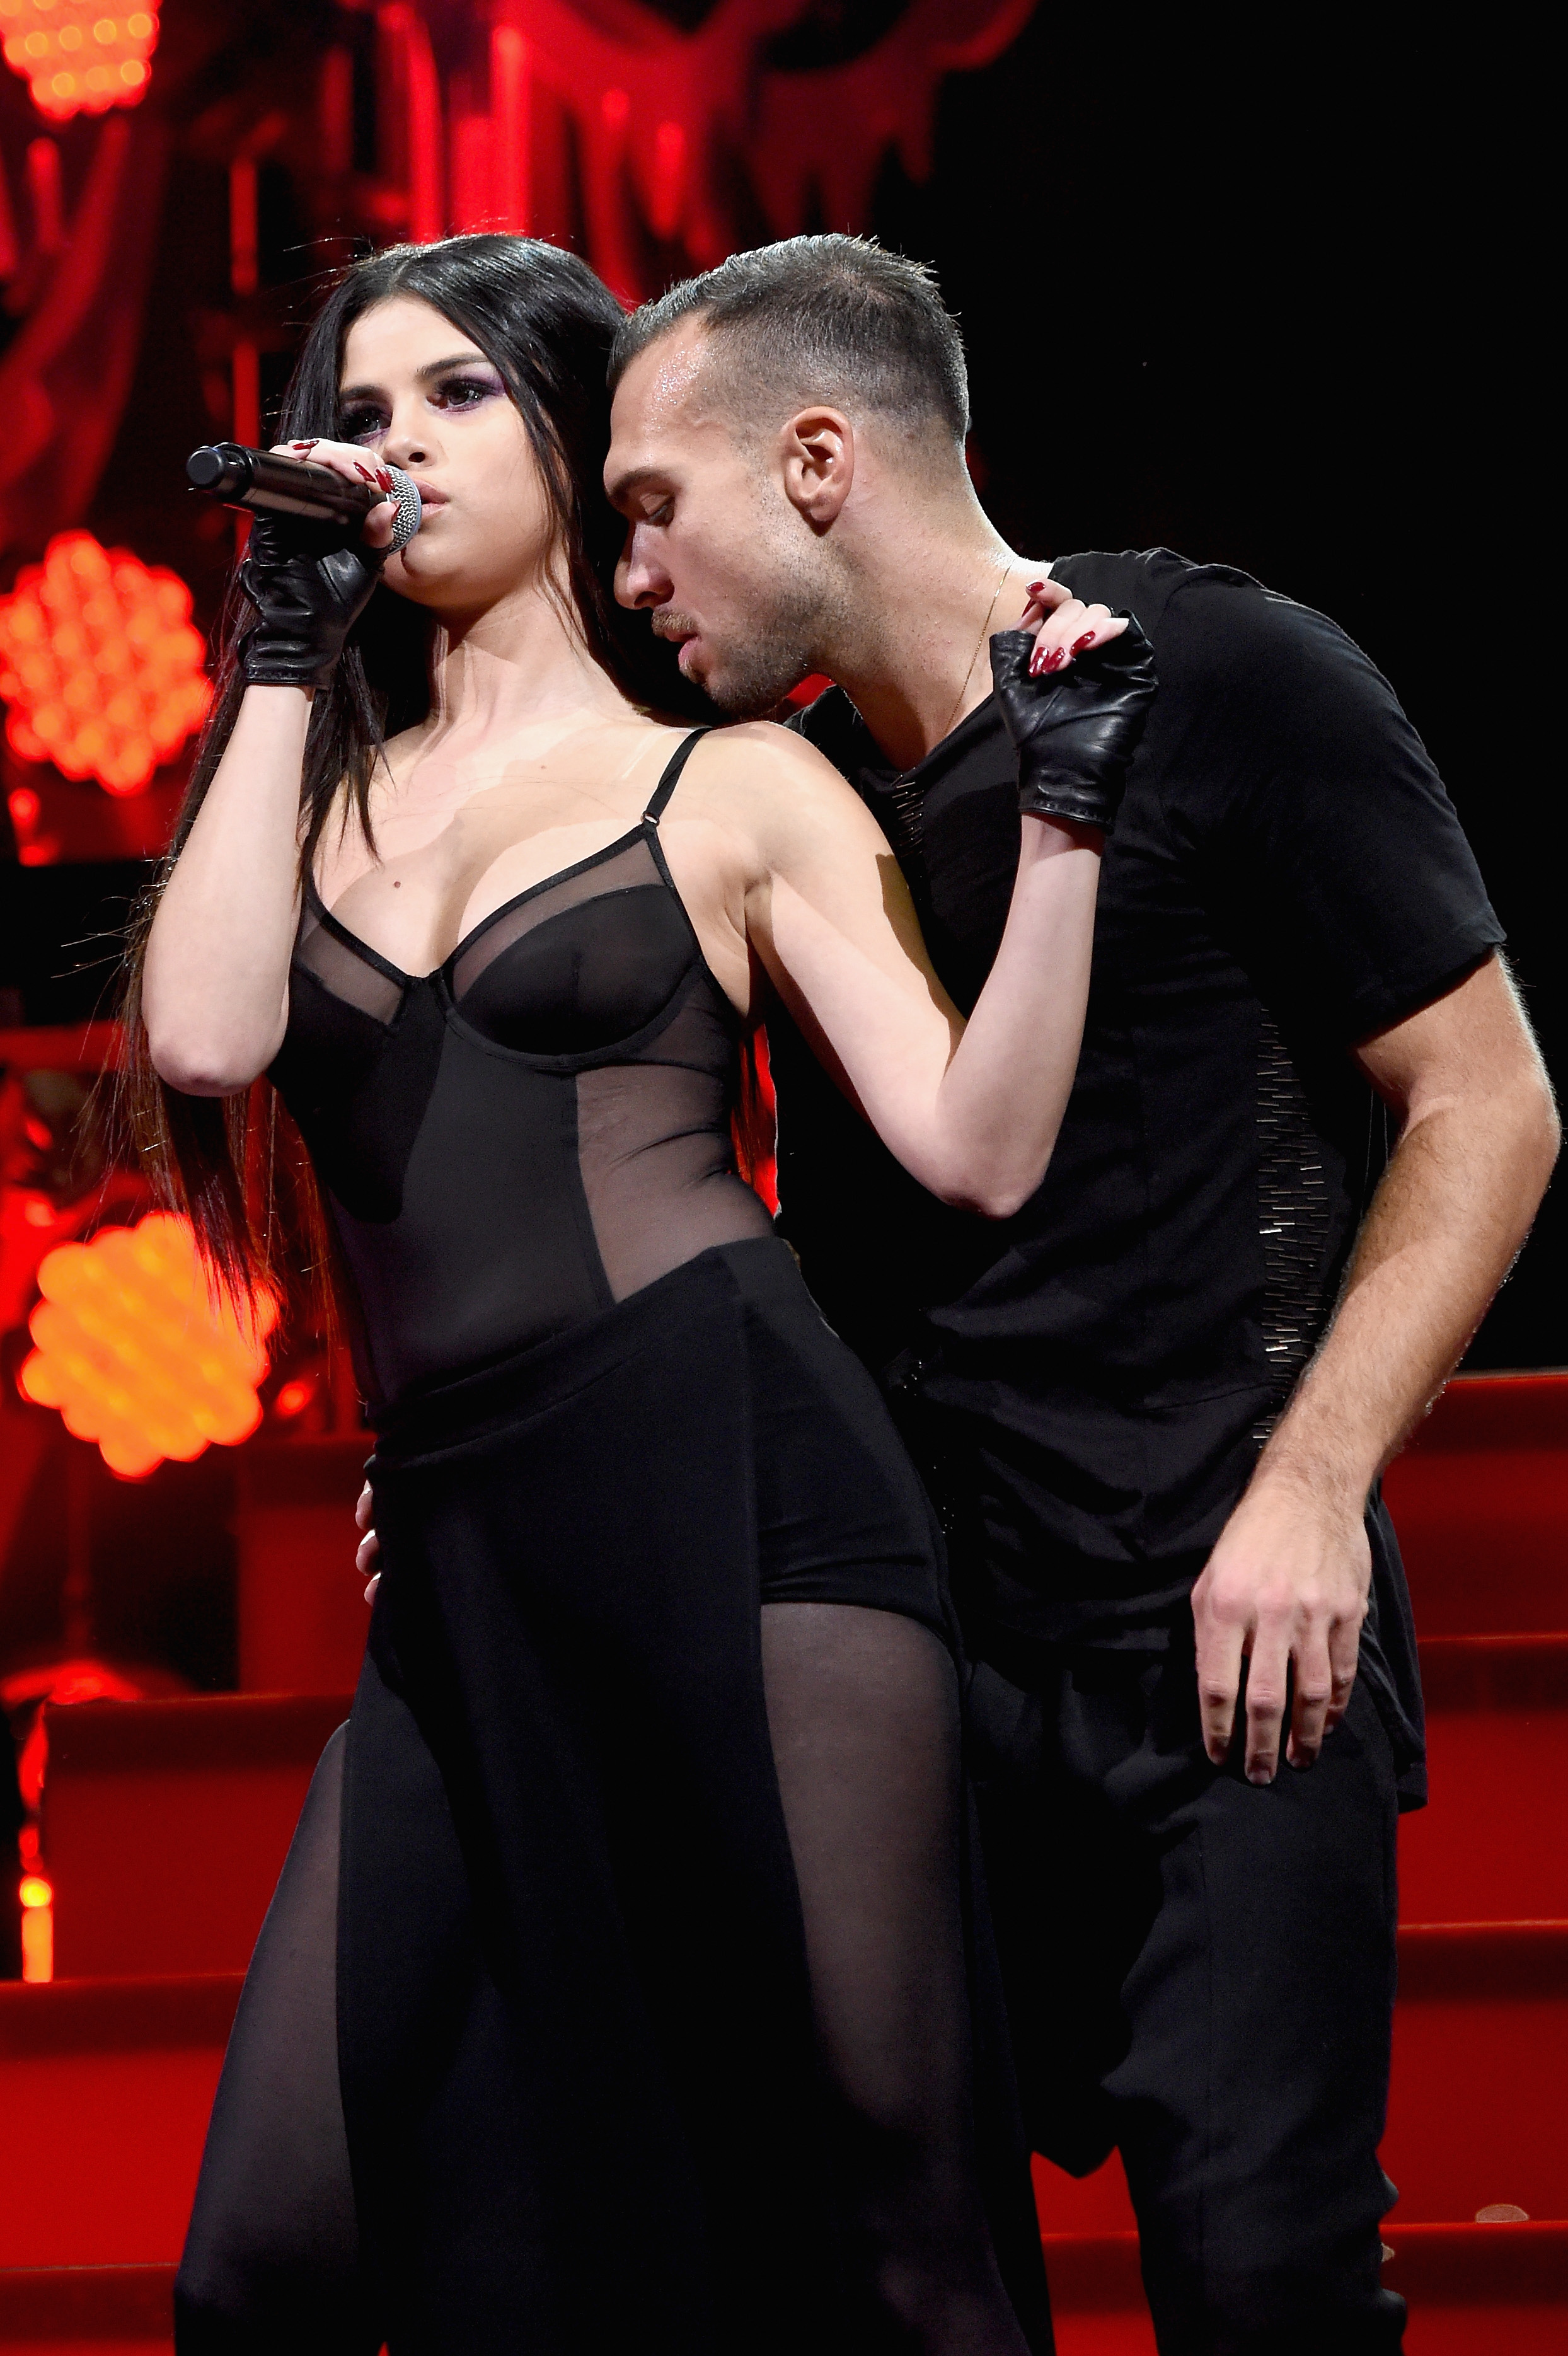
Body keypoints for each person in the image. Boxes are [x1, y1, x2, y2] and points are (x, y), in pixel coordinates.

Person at [132, 232, 1151, 2354]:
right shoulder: (302, 789)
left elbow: (972, 1145)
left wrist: (1065, 824)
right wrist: (281, 646)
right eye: (363, 408)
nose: (400, 446)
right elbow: (210, 1041)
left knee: (894, 2213)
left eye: (455, 396)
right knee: (263, 2258)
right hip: (463, 1553)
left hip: (749, 1493)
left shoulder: (734, 778)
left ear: (569, 431)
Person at [597, 235, 1562, 2353]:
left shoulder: (1224, 676)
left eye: (655, 507)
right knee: (887, 2288)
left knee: (1263, 2286)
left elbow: (1491, 1103)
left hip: (1224, 1645)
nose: (632, 574)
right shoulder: (810, 810)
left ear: (817, 460)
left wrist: (1312, 1488)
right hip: (935, 1670)